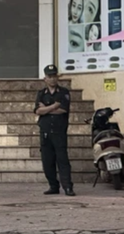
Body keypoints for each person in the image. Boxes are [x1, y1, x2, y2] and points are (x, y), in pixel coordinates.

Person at [34, 65, 75, 196]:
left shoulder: (63, 92)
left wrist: (45, 109)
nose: (52, 79)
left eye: (54, 76)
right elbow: (37, 111)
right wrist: (53, 106)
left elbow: (62, 110)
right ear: (45, 78)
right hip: (45, 132)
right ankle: (53, 186)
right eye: (49, 76)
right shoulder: (41, 93)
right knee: (47, 161)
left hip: (59, 131)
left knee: (62, 160)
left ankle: (67, 187)